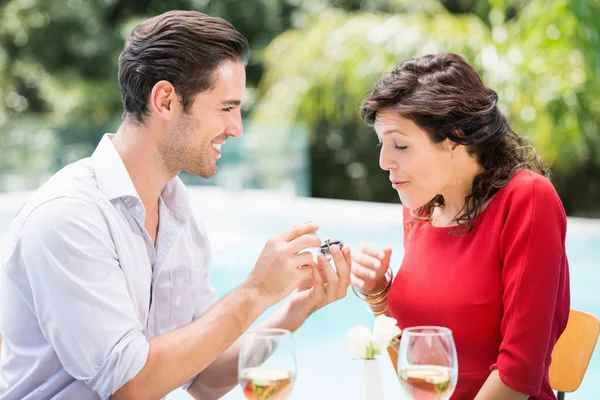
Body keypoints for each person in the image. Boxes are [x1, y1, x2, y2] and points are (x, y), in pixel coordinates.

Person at [0, 10, 351, 400]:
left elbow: (203, 378)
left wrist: (295, 309)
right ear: (165, 99)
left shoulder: (178, 215)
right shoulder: (68, 218)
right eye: (226, 108)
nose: (236, 128)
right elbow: (130, 386)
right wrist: (255, 291)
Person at [350, 53, 570, 400]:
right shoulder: (421, 205)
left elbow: (519, 372)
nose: (383, 161)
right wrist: (378, 294)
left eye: (401, 145)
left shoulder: (527, 199)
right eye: (383, 143)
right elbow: (420, 357)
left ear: (454, 137)